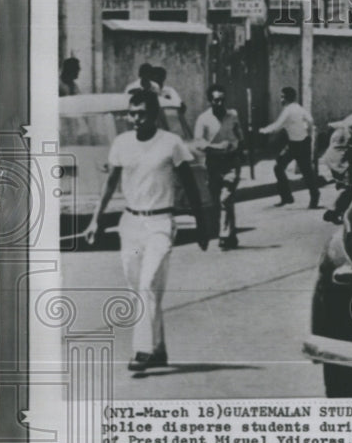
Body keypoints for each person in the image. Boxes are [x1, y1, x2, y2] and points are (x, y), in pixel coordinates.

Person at [82, 89, 208, 371]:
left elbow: (189, 184)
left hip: (160, 224)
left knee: (147, 284)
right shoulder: (122, 143)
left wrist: (202, 225)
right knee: (139, 287)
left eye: (142, 113)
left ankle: (142, 351)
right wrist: (95, 220)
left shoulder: (171, 143)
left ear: (153, 115)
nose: (136, 118)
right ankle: (159, 348)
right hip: (131, 224)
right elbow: (110, 184)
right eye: (132, 113)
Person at [194, 83, 244, 250]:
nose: (219, 104)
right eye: (216, 100)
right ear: (210, 101)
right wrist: (216, 147)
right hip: (213, 164)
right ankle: (232, 234)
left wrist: (235, 146)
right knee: (217, 201)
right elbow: (199, 143)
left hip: (231, 162)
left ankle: (223, 236)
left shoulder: (233, 115)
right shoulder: (203, 119)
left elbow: (240, 135)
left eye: (222, 100)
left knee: (226, 198)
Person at [259, 86, 321, 209]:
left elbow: (277, 126)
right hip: (298, 143)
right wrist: (307, 135)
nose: (281, 99)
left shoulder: (288, 110)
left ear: (287, 98)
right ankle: (292, 196)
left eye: (282, 97)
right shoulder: (299, 108)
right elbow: (311, 121)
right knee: (302, 171)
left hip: (296, 145)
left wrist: (263, 131)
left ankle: (291, 196)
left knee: (283, 168)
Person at [322, 96, 352, 224]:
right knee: (350, 185)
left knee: (346, 185)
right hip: (340, 157)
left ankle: (339, 211)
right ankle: (332, 212)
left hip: (334, 155)